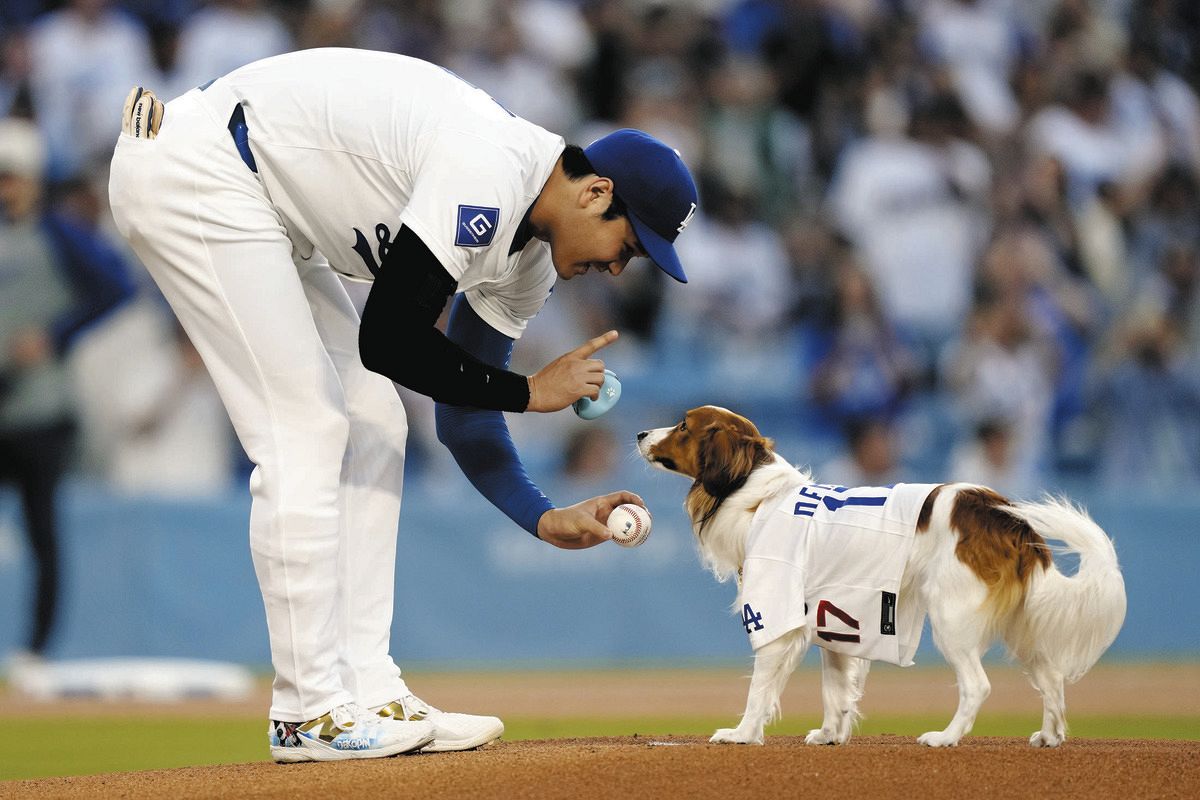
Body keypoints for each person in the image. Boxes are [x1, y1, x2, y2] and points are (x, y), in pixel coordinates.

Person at [107, 49, 698, 763]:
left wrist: (541, 516)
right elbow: (388, 338)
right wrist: (530, 393)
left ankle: (366, 688)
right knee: (306, 427)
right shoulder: (491, 170)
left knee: (377, 422)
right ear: (595, 192)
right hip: (200, 167)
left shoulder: (532, 258)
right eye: (629, 245)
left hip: (263, 204)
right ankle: (306, 713)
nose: (618, 266)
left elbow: (462, 412)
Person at [0, 117, 135, 667]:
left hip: (41, 408)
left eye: (12, 176)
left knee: (41, 532)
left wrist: (56, 336)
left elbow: (116, 286)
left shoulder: (58, 233)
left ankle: (36, 650)